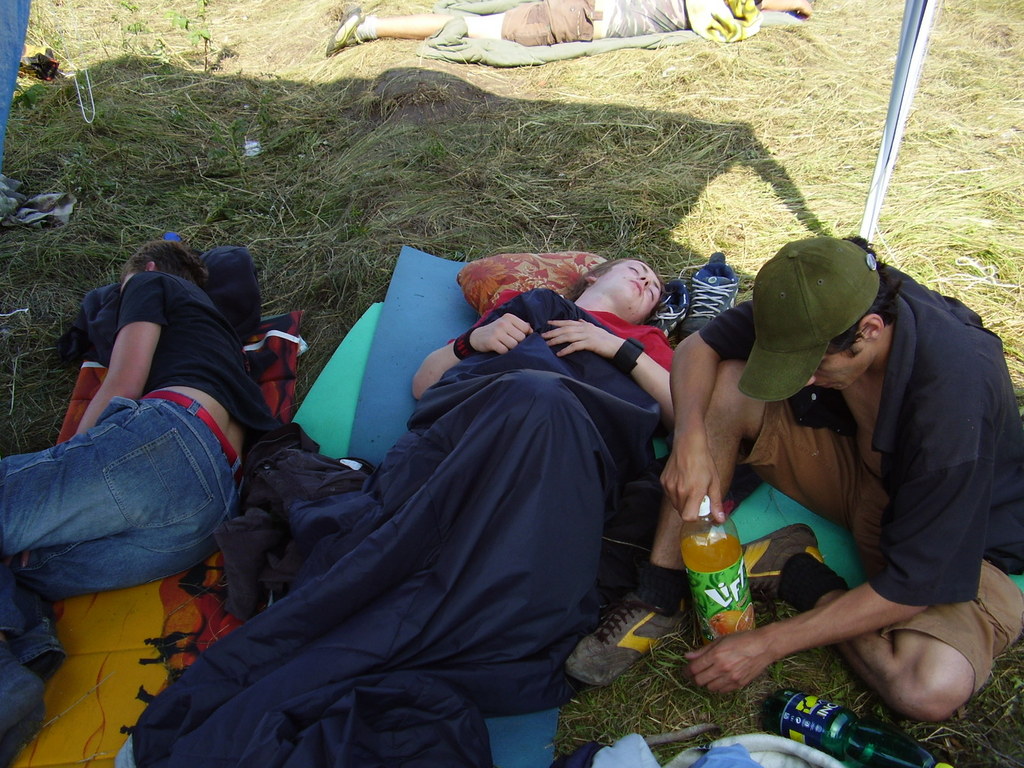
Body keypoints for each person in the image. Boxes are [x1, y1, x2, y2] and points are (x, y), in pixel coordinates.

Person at [118, 259, 676, 767]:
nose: (648, 281)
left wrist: (617, 350)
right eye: (637, 269)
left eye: (655, 286)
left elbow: (683, 414)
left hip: (567, 458)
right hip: (470, 436)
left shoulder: (653, 350)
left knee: (543, 411)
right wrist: (474, 342)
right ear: (591, 276)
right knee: (527, 404)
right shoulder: (539, 305)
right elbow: (426, 383)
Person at [572, 236, 1024, 722]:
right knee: (730, 383)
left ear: (870, 330)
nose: (801, 382)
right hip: (857, 473)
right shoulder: (829, 293)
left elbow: (914, 584)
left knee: (926, 689)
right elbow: (700, 346)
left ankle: (799, 573)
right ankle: (660, 591)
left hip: (957, 537)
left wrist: (767, 643)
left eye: (814, 366)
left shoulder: (952, 409)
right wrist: (689, 439)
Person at [0, 240, 279, 764]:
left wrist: (67, 459)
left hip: (166, 446)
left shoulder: (152, 282)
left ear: (147, 269)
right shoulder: (220, 333)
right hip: (207, 515)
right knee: (21, 568)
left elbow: (123, 380)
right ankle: (22, 662)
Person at [325, 0, 812, 56]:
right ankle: (369, 28)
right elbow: (758, 10)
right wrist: (794, 8)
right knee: (470, 26)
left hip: (583, 10)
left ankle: (371, 25)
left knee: (478, 22)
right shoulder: (718, 17)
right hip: (576, 20)